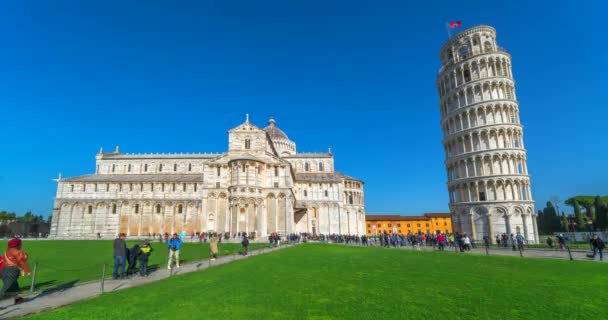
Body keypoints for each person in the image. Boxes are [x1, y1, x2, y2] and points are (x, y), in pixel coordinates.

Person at [0, 238, 31, 304]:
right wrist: (27, 271)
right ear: (17, 245)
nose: (21, 245)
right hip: (11, 271)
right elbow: (22, 261)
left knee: (14, 286)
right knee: (6, 289)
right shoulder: (17, 252)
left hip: (3, 270)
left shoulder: (7, 252)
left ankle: (18, 300)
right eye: (20, 244)